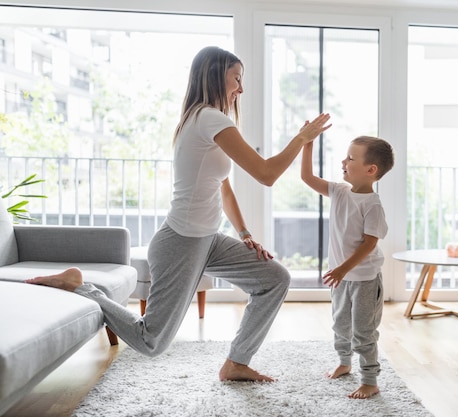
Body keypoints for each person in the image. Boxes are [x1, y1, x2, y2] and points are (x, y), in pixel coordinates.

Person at [25, 46, 332, 383]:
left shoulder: (206, 119)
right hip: (181, 244)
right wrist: (301, 138)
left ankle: (236, 363)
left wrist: (244, 234)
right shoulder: (209, 119)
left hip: (208, 241)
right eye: (236, 79)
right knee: (150, 341)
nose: (240, 89)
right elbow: (266, 174)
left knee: (275, 278)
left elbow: (223, 187)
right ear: (216, 76)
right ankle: (83, 287)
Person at [301, 135, 394, 399]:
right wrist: (307, 144)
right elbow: (307, 178)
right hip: (341, 277)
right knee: (340, 323)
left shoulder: (372, 205)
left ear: (371, 170)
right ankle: (344, 361)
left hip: (364, 278)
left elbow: (368, 244)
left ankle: (369, 380)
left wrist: (342, 268)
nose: (344, 161)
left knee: (363, 330)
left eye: (351, 158)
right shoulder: (339, 191)